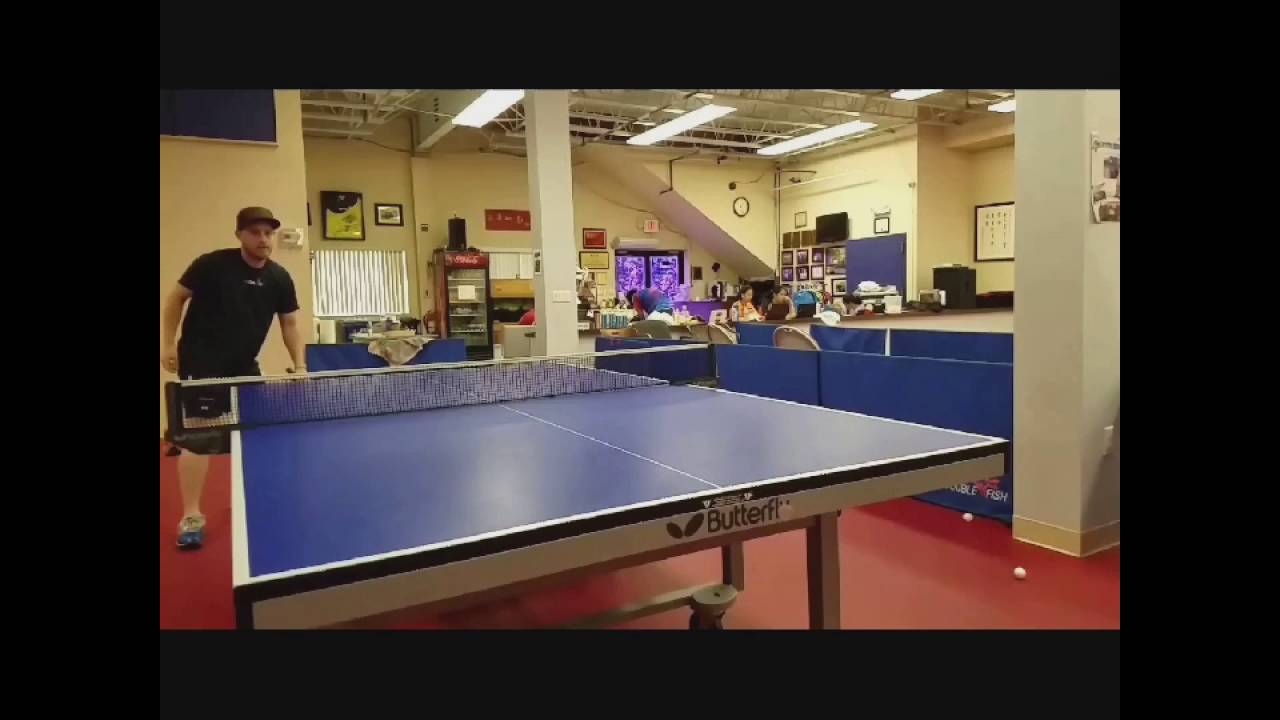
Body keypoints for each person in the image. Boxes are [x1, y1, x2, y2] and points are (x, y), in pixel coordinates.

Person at [160, 207, 306, 550]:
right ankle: (192, 516)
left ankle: (255, 502)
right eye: (255, 232)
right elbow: (175, 299)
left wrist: (299, 365)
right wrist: (167, 344)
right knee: (198, 439)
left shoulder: (279, 277)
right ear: (239, 234)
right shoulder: (211, 265)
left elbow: (289, 323)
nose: (263, 239)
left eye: (268, 233)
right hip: (202, 364)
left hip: (245, 365)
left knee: (255, 436)